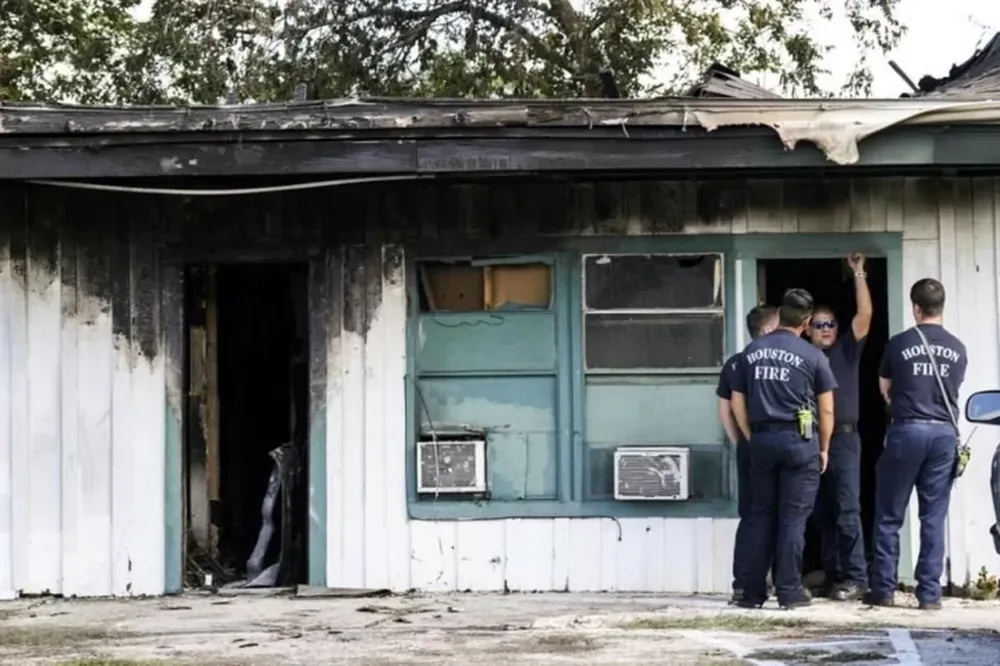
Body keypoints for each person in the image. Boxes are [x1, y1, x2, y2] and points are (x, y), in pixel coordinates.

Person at [730, 288, 837, 609]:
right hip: (799, 442)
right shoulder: (813, 355)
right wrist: (824, 448)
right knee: (793, 519)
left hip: (762, 440)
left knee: (759, 516)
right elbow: (827, 409)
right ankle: (789, 591)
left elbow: (737, 401)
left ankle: (751, 593)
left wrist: (751, 435)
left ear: (781, 315)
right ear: (806, 322)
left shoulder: (752, 351)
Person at [867, 278, 967, 610]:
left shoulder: (898, 344)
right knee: (933, 516)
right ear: (942, 306)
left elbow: (884, 387)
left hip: (907, 430)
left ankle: (883, 589)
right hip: (942, 435)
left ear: (915, 307)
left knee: (889, 515)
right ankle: (929, 594)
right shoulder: (958, 348)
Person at [807, 254, 872, 601]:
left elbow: (864, 317)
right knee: (822, 513)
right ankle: (835, 576)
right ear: (808, 329)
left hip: (845, 439)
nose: (827, 328)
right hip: (811, 442)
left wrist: (858, 273)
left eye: (830, 323)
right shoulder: (803, 356)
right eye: (819, 324)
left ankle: (856, 577)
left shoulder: (846, 349)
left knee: (848, 510)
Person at [717, 305, 779, 604]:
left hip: (748, 447)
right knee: (778, 513)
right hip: (771, 442)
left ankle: (743, 583)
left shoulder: (735, 363)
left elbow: (724, 410)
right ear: (768, 329)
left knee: (751, 514)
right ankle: (779, 580)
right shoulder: (772, 361)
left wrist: (740, 442)